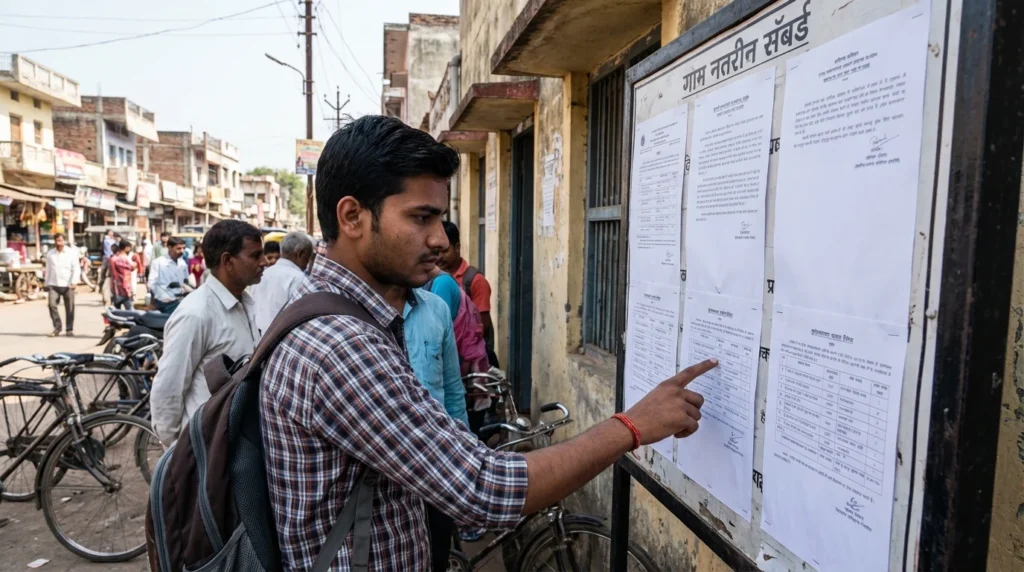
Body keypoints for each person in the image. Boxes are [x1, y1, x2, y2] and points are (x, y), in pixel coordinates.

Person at [260, 116, 713, 571]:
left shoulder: (329, 308)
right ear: (353, 216)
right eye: (421, 217)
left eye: (440, 217)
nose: (439, 238)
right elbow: (483, 490)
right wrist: (632, 426)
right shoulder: (343, 346)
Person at [150, 220, 267, 444]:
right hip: (206, 447)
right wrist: (179, 452)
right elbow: (168, 389)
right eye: (254, 255)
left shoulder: (245, 303)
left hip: (235, 442)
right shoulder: (196, 313)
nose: (263, 262)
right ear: (227, 261)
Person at [438, 221, 496, 363]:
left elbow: (483, 325)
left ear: (457, 248)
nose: (439, 257)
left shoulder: (474, 280)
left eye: (444, 251)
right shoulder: (431, 278)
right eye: (435, 251)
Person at [251, 231, 313, 334]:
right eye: (307, 259)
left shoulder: (262, 275)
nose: (307, 265)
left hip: (259, 340)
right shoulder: (299, 279)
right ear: (300, 254)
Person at [43, 233, 80, 337]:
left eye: (61, 240)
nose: (59, 242)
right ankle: (57, 327)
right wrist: (46, 282)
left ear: (64, 241)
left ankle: (69, 329)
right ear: (54, 241)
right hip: (54, 284)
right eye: (57, 240)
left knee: (70, 308)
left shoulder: (71, 253)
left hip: (68, 284)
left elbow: (76, 268)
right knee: (52, 305)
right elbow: (48, 269)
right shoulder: (50, 254)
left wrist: (74, 281)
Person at [148, 236, 189, 313]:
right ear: (169, 247)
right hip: (165, 303)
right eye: (179, 248)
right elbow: (151, 284)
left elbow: (185, 282)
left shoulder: (182, 263)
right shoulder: (158, 262)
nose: (182, 251)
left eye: (184, 248)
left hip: (180, 302)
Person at [109, 239, 137, 310]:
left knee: (116, 311)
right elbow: (132, 267)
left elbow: (112, 273)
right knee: (130, 311)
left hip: (116, 288)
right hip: (125, 288)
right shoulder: (126, 259)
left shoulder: (113, 259)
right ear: (127, 248)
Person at [98, 229, 116, 303]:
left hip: (106, 260)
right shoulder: (108, 241)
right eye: (111, 233)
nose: (112, 234)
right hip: (108, 260)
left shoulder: (106, 240)